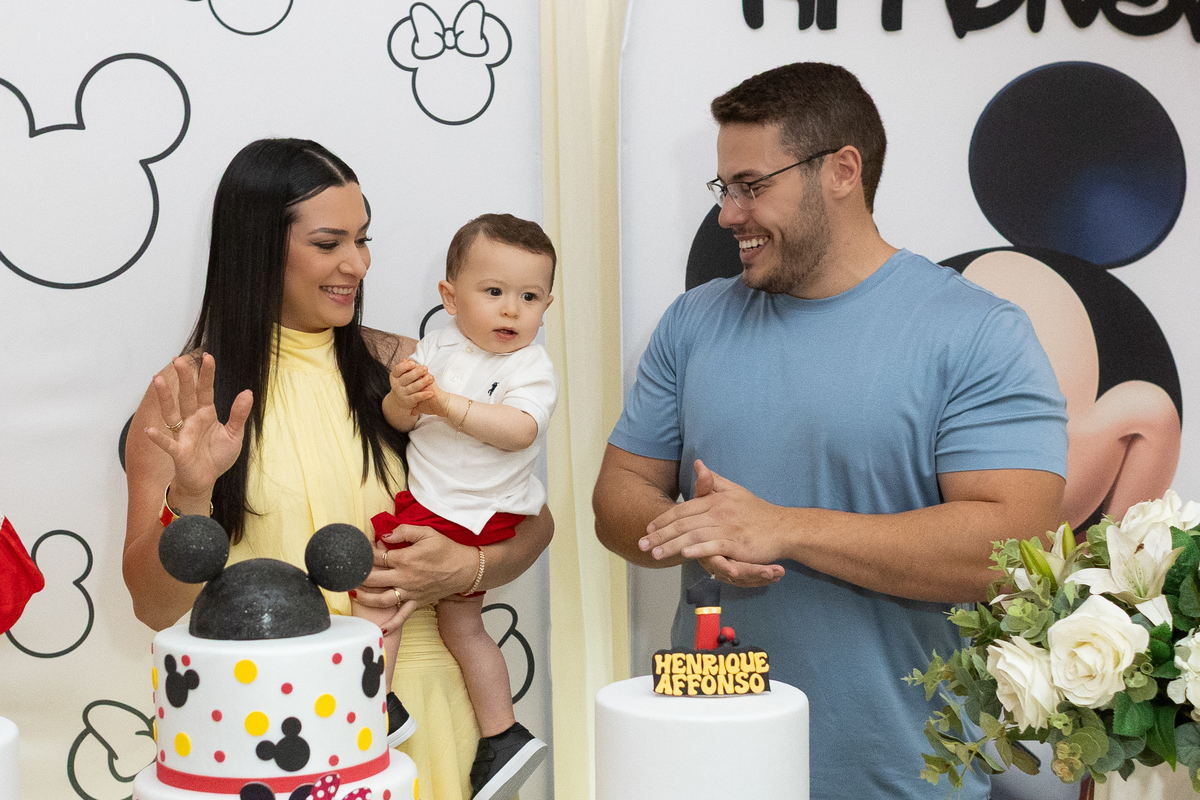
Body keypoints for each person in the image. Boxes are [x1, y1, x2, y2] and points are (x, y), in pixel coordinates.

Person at [592, 63, 1068, 800]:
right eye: (725, 189)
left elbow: (1015, 549)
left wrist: (782, 529)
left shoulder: (977, 331)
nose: (729, 214)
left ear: (842, 170)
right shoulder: (693, 323)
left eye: (752, 186)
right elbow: (619, 495)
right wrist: (693, 528)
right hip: (707, 764)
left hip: (903, 777)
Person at [121, 138, 553, 799]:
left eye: (364, 238)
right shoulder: (183, 399)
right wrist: (191, 496)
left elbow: (533, 521)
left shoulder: (410, 369)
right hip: (269, 735)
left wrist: (467, 569)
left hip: (423, 723)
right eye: (329, 243)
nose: (358, 263)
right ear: (259, 247)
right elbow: (154, 607)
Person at [358, 213, 555, 800]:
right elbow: (403, 422)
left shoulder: (529, 366)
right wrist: (403, 400)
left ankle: (373, 714)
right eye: (493, 293)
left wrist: (447, 406)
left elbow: (521, 430)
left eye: (529, 297)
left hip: (471, 511)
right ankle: (501, 734)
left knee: (379, 599)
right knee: (462, 622)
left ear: (547, 305)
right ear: (450, 297)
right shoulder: (436, 348)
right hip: (452, 507)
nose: (511, 311)